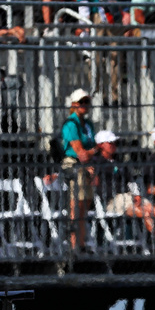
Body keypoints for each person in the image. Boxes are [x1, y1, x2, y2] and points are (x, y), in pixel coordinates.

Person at [59, 88, 97, 251]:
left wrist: (94, 152)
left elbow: (90, 150)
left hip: (87, 165)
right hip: (74, 164)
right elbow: (80, 153)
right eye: (80, 102)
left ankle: (80, 243)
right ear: (74, 105)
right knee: (77, 203)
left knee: (85, 204)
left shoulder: (88, 124)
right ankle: (75, 244)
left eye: (86, 102)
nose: (84, 105)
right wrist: (97, 149)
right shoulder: (71, 123)